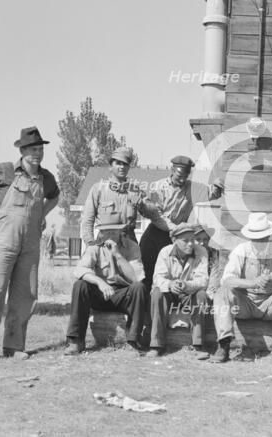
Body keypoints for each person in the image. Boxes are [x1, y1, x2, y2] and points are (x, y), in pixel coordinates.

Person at [0, 127, 60, 360]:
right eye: (32, 149)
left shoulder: (46, 177)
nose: (37, 154)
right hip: (4, 241)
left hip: (30, 244)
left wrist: (42, 214)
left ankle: (14, 346)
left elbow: (55, 196)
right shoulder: (5, 171)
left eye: (40, 149)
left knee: (25, 294)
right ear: (22, 150)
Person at [211, 213, 272, 363]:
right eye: (256, 238)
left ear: (269, 236)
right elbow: (227, 280)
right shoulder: (241, 250)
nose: (260, 241)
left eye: (263, 238)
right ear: (250, 237)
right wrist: (253, 283)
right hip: (245, 303)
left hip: (270, 304)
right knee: (222, 293)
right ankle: (223, 345)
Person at [64, 212, 149, 355]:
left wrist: (118, 255)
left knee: (139, 288)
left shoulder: (132, 247)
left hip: (122, 294)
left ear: (120, 231)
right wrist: (99, 283)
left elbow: (136, 278)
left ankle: (133, 341)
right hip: (101, 294)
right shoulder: (94, 247)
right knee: (80, 285)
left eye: (112, 231)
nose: (107, 235)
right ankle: (76, 341)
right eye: (104, 231)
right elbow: (80, 269)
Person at [139, 155, 223, 290]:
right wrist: (176, 228)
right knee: (146, 269)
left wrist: (218, 185)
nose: (182, 179)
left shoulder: (192, 188)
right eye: (179, 176)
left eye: (186, 175)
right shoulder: (158, 186)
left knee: (174, 273)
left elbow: (212, 193)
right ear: (172, 170)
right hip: (156, 232)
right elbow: (157, 216)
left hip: (179, 237)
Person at [148, 223, 209, 357]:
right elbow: (158, 278)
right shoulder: (165, 252)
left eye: (192, 239)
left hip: (189, 294)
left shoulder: (201, 252)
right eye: (185, 241)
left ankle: (198, 345)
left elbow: (203, 280)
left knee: (202, 295)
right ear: (174, 240)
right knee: (157, 293)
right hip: (169, 294)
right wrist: (170, 284)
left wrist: (186, 285)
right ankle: (156, 345)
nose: (190, 244)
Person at [80, 147, 160, 248]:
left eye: (125, 164)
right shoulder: (98, 189)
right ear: (110, 167)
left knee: (137, 264)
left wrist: (142, 204)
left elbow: (153, 212)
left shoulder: (135, 190)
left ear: (128, 168)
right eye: (118, 163)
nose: (122, 167)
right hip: (104, 243)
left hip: (129, 244)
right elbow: (87, 220)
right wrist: (90, 244)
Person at [193, 224, 222, 301]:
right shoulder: (190, 254)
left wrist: (210, 292)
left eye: (205, 239)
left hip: (210, 290)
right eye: (198, 239)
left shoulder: (214, 253)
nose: (202, 243)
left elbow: (215, 274)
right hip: (193, 289)